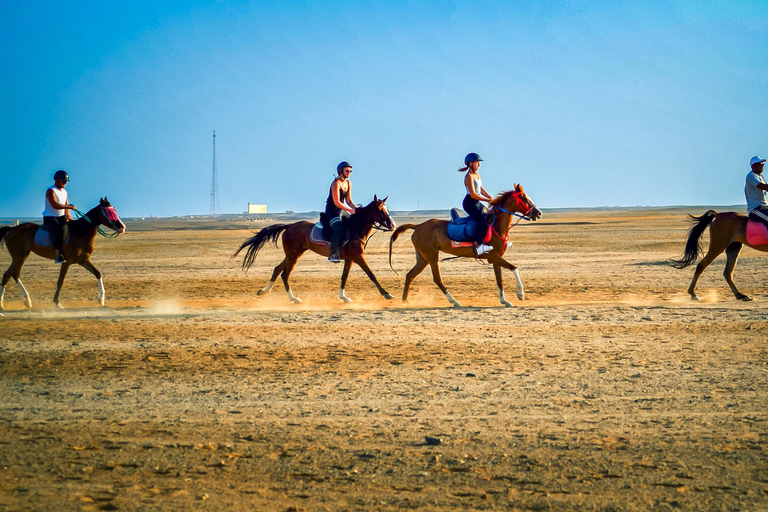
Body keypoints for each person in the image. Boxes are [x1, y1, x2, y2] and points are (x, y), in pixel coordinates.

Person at [459, 152, 493, 254]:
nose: (479, 165)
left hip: (477, 202)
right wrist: (487, 200)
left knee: (490, 217)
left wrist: (489, 196)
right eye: (477, 163)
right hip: (470, 203)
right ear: (470, 164)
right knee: (481, 221)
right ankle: (479, 246)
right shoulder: (469, 176)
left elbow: (481, 189)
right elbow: (473, 194)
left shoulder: (477, 174)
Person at [325, 161, 356, 263]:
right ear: (340, 171)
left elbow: (349, 201)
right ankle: (332, 254)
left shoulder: (348, 183)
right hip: (332, 211)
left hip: (342, 210)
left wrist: (357, 209)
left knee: (353, 223)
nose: (349, 172)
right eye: (347, 170)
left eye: (350, 170)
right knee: (338, 229)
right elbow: (337, 202)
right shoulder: (336, 184)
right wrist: (349, 209)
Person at [43, 169, 76, 263]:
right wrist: (69, 207)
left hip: (61, 217)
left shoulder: (64, 192)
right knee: (58, 231)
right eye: (63, 181)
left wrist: (68, 215)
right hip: (50, 217)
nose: (65, 183)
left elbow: (65, 204)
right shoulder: (51, 191)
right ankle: (57, 255)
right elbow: (55, 205)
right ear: (56, 180)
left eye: (66, 181)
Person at [745, 156, 768, 228]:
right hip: (756, 209)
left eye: (763, 164)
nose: (762, 165)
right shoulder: (751, 176)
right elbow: (763, 186)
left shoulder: (761, 177)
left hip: (764, 208)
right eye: (760, 163)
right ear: (753, 166)